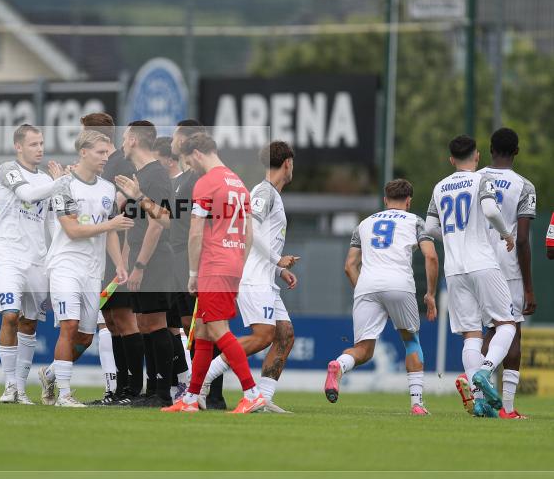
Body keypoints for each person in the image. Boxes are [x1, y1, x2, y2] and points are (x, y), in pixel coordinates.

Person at [162, 133, 265, 414]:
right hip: (232, 262)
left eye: (187, 161)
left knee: (218, 329)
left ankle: (252, 392)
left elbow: (196, 233)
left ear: (195, 153)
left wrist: (193, 272)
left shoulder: (206, 182)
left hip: (213, 265)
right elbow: (249, 233)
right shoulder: (238, 183)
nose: (189, 168)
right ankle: (191, 398)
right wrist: (238, 264)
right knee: (205, 331)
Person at [198, 141, 299, 413]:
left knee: (285, 335)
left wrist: (279, 269)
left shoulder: (272, 195)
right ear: (287, 163)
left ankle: (263, 399)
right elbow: (248, 228)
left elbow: (262, 239)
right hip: (253, 278)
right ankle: (200, 382)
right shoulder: (263, 192)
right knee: (264, 335)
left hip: (267, 277)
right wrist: (276, 260)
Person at [324, 179, 439, 415]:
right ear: (408, 201)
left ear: (386, 200)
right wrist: (430, 294)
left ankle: (338, 365)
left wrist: (366, 292)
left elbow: (349, 266)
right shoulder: (415, 221)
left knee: (363, 350)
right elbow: (431, 257)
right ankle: (417, 404)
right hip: (399, 284)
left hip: (367, 285)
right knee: (411, 341)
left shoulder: (364, 224)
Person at [424, 135, 518, 418]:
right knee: (507, 324)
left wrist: (453, 237)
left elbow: (430, 227)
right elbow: (490, 209)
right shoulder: (480, 180)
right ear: (476, 156)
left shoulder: (440, 187)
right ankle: (486, 372)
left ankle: (479, 401)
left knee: (471, 336)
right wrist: (505, 233)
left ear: (451, 159)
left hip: (454, 269)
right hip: (482, 263)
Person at [38, 130, 132, 407]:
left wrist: (120, 263)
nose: (106, 157)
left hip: (93, 269)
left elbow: (111, 232)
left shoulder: (106, 189)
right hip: (65, 265)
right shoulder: (63, 186)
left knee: (86, 336)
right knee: (69, 325)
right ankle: (64, 395)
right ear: (83, 152)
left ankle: (51, 374)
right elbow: (72, 229)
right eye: (100, 152)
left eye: (107, 152)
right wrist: (110, 226)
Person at [0, 124, 65, 404]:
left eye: (41, 143)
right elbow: (28, 195)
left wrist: (55, 256)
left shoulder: (45, 178)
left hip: (36, 259)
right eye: (33, 144)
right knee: (10, 316)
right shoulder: (8, 169)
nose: (39, 148)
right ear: (18, 147)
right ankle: (8, 386)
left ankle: (20, 388)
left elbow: (52, 220)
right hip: (7, 254)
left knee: (29, 323)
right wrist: (61, 182)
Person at [473, 128, 536, 419]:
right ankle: (507, 408)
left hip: (473, 262)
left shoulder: (475, 179)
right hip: (506, 266)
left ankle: (477, 395)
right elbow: (521, 239)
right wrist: (529, 288)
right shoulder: (523, 186)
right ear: (517, 151)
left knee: (484, 332)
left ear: (489, 149)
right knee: (511, 333)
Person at [81, 112, 142, 406]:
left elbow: (126, 213)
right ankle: (118, 390)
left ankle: (131, 389)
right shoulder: (101, 166)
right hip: (100, 255)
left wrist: (127, 258)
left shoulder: (120, 165)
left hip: (116, 256)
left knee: (125, 321)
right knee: (110, 322)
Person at [118, 120, 176, 407]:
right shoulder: (138, 175)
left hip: (154, 259)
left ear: (134, 141)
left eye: (125, 137)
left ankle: (163, 392)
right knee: (143, 323)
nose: (122, 141)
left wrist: (140, 265)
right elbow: (134, 224)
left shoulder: (156, 175)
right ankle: (151, 390)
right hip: (140, 257)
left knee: (155, 322)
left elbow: (160, 222)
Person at [170, 120, 225, 408]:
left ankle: (212, 394)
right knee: (192, 326)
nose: (173, 139)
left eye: (176, 133)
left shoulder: (198, 180)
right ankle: (197, 392)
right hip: (179, 257)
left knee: (206, 326)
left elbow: (198, 226)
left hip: (196, 259)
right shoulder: (183, 178)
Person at [154, 136, 191, 399]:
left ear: (168, 160)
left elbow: (171, 224)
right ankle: (179, 382)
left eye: (157, 160)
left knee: (186, 326)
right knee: (169, 326)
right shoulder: (169, 185)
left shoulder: (184, 184)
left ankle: (195, 384)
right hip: (167, 267)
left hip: (182, 266)